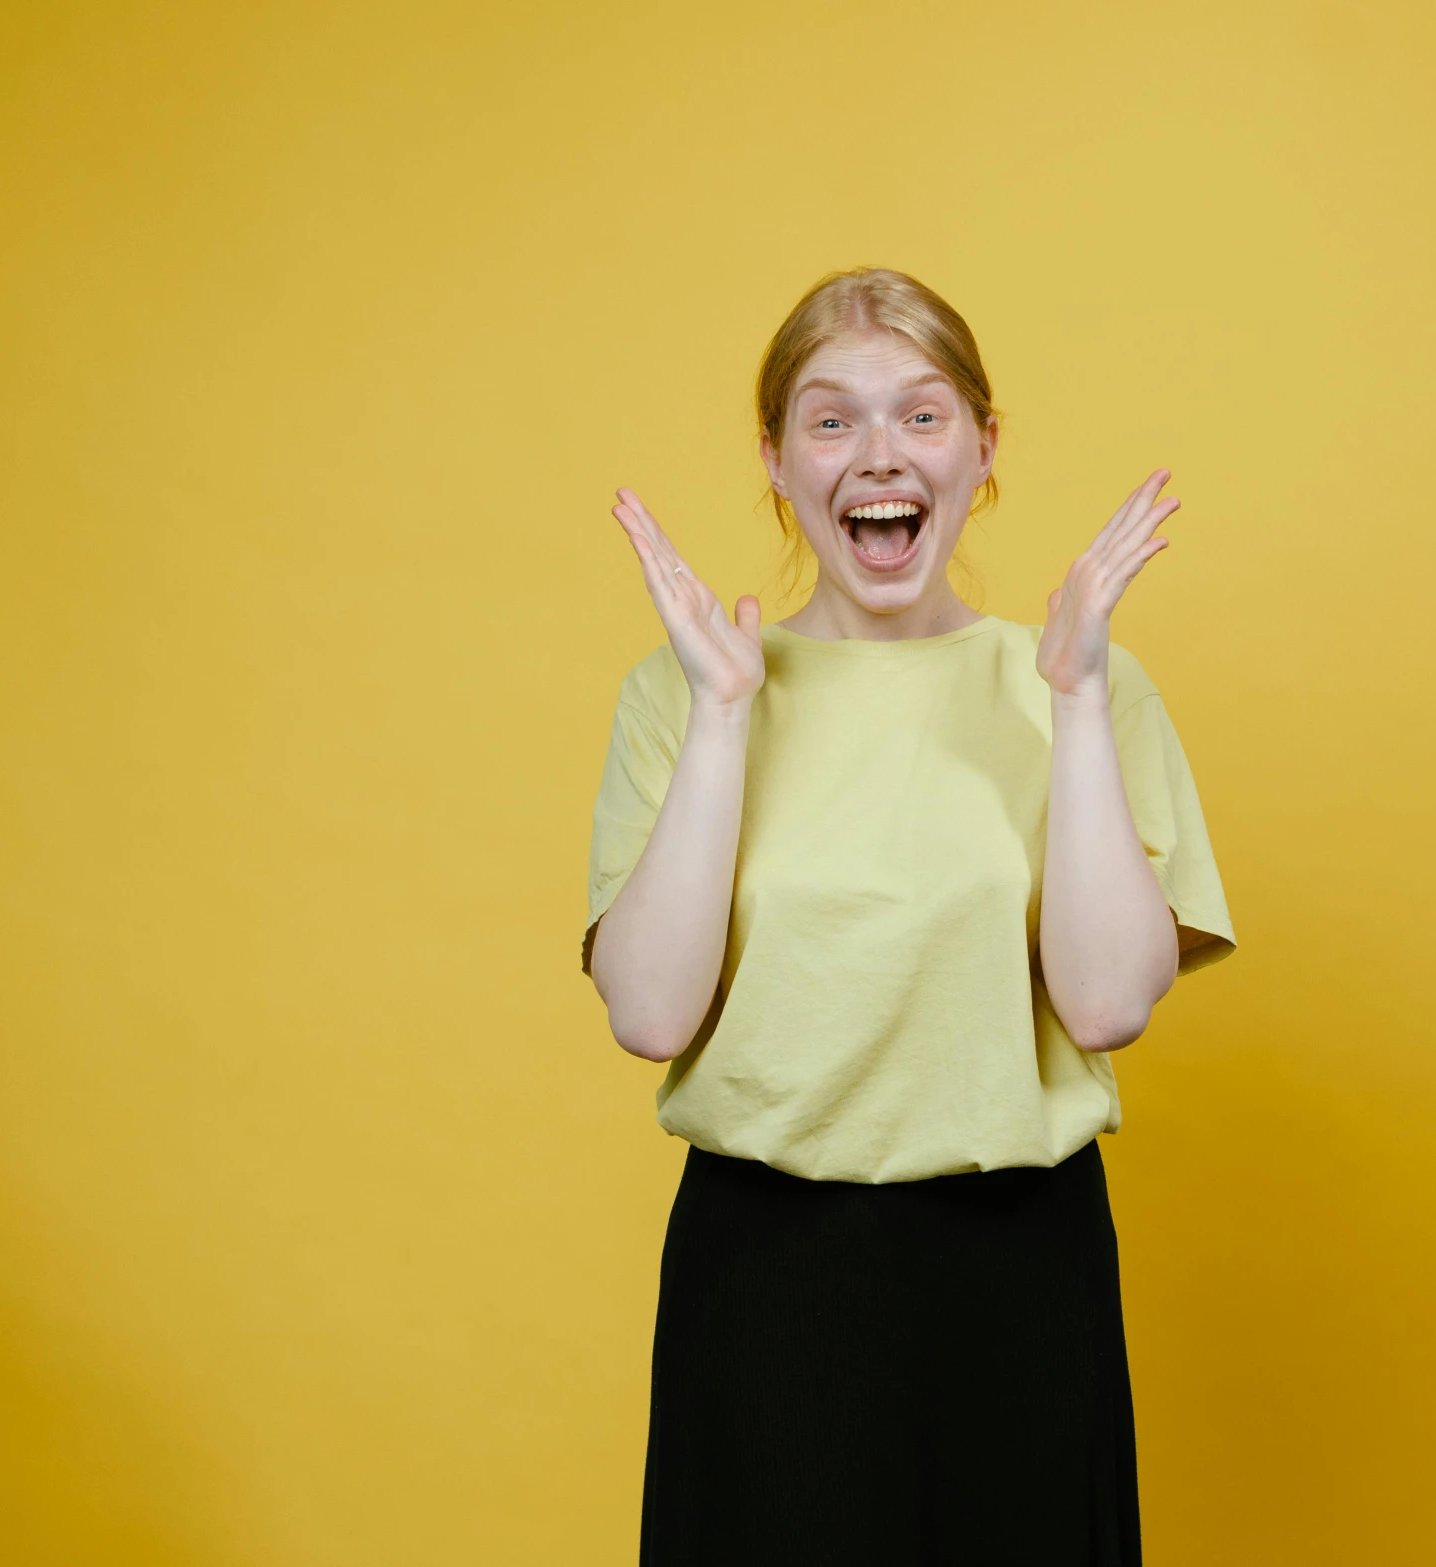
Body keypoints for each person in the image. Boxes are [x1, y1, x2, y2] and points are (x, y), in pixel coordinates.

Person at [582, 267, 1236, 1566]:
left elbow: (1107, 1003)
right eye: (830, 420)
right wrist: (721, 722)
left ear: (983, 447)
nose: (878, 454)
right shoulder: (685, 690)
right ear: (774, 459)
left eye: (920, 416)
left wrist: (1079, 702)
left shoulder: (1075, 680)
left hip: (1019, 1266)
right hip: (761, 1278)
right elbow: (650, 1013)